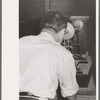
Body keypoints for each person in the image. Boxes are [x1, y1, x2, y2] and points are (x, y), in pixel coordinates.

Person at [19, 11, 79, 100]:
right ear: (63, 32)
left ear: (42, 28)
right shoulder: (63, 53)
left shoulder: (20, 42)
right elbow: (70, 93)